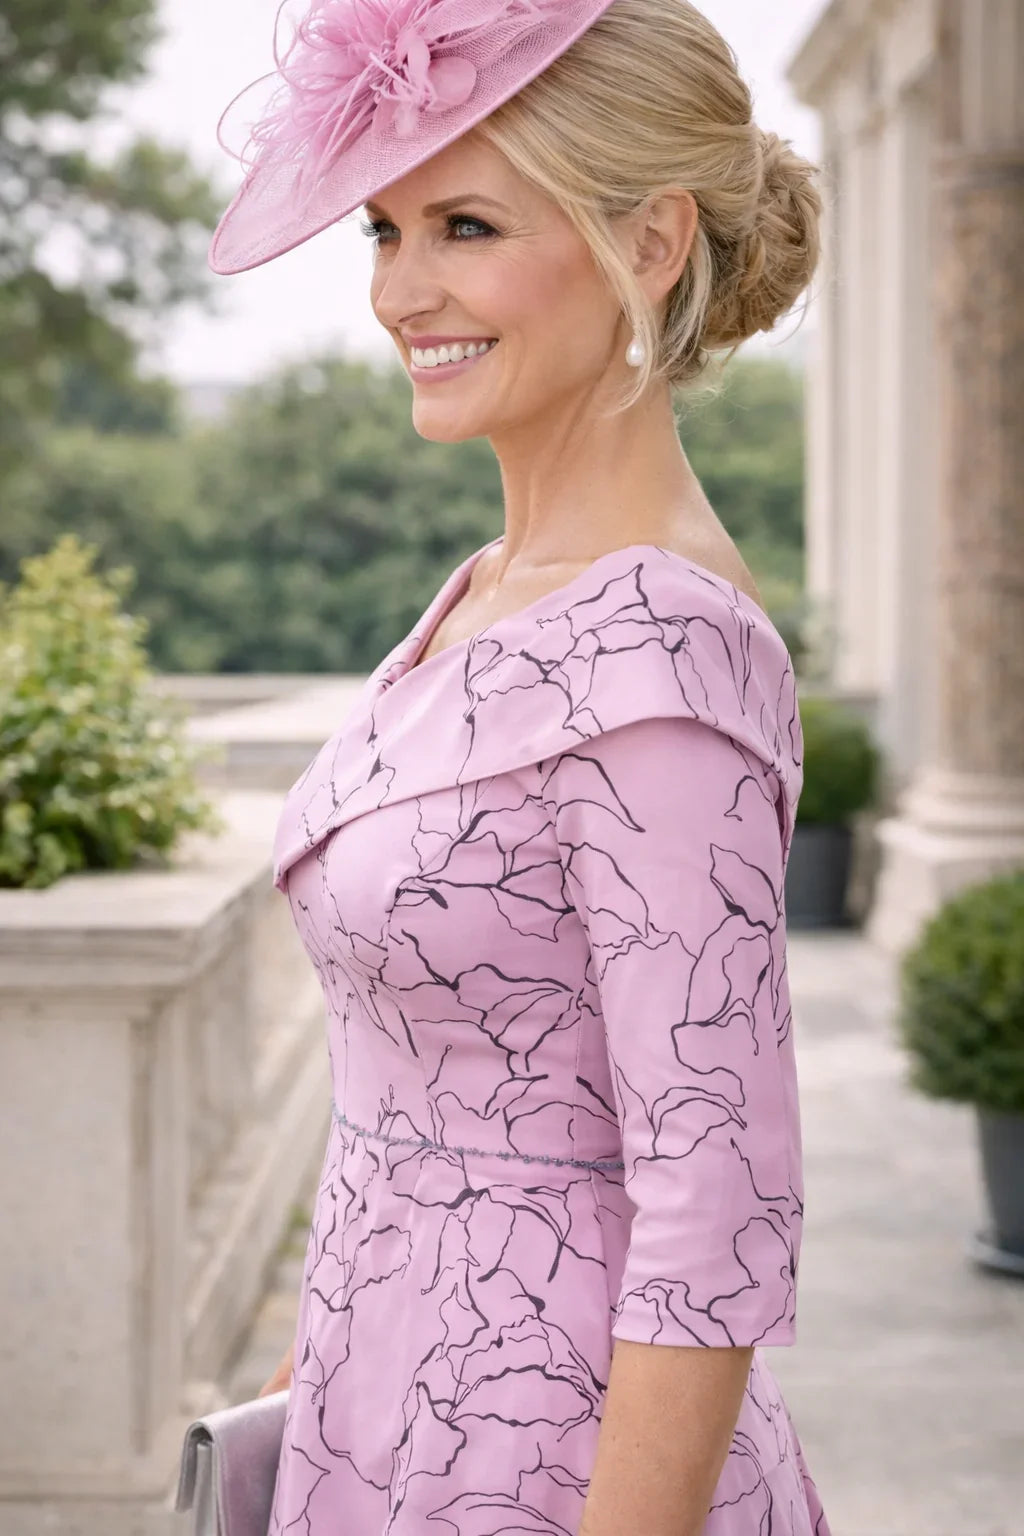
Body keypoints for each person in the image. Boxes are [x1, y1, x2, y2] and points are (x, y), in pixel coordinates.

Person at [211, 1, 830, 1531]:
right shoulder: (487, 590)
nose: (402, 292)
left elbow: (716, 1223)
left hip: (546, 1464)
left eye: (467, 225)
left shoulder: (669, 652)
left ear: (653, 240)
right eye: (385, 230)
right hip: (384, 1408)